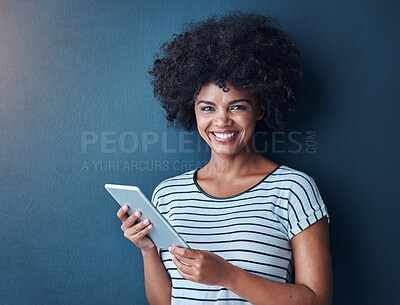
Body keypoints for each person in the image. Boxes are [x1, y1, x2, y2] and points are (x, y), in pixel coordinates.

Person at [117, 11, 333, 305]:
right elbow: (164, 302)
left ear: (260, 110)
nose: (222, 121)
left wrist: (227, 275)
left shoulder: (293, 190)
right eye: (208, 108)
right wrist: (147, 250)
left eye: (237, 107)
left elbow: (317, 300)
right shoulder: (168, 195)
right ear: (191, 110)